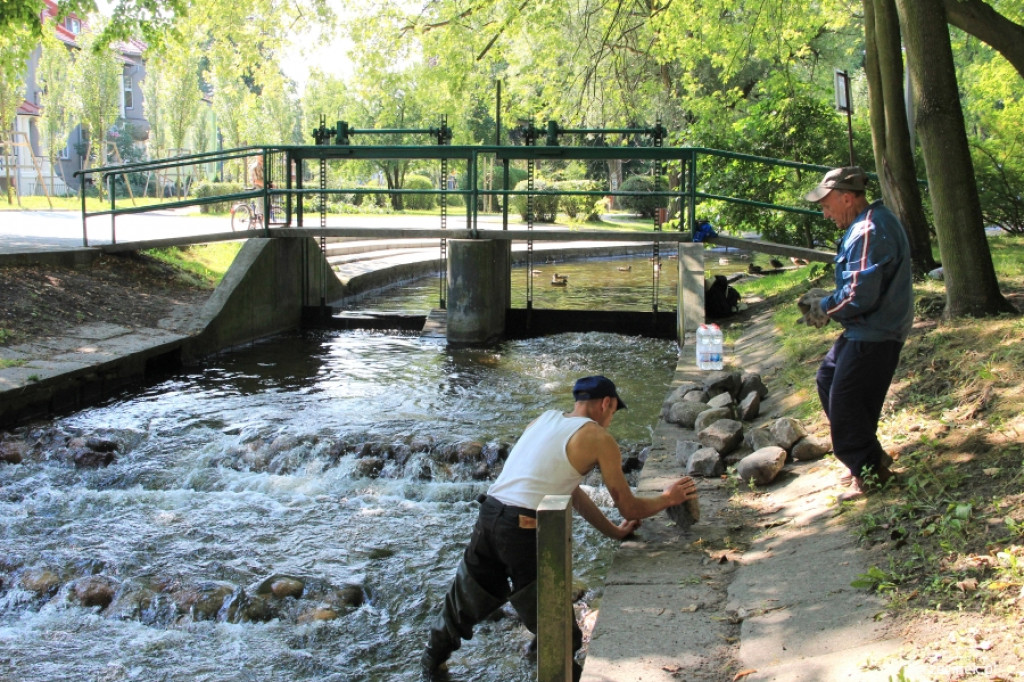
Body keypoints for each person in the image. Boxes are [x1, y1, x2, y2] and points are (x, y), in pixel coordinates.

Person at [420, 376, 698, 680]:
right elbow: (628, 507)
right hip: (521, 526)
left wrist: (615, 532)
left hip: (488, 514)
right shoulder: (597, 438)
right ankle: (555, 667)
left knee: (466, 597)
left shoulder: (543, 420)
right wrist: (668, 498)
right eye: (614, 411)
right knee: (559, 630)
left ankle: (432, 662)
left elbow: (572, 493)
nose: (611, 420)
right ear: (606, 403)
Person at [801, 166, 914, 501]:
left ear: (846, 198)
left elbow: (858, 295)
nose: (824, 212)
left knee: (847, 402)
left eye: (826, 204)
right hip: (864, 330)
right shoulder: (866, 224)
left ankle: (870, 474)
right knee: (828, 379)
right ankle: (870, 457)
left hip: (876, 332)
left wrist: (824, 306)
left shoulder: (868, 230)